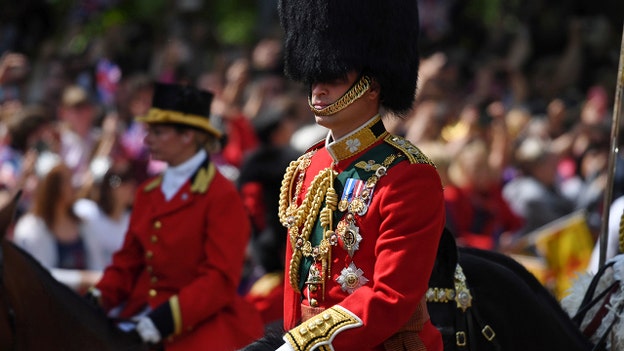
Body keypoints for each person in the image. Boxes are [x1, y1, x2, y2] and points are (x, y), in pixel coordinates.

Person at [272, 0, 445, 350]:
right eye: (314, 78)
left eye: (333, 79)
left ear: (372, 86)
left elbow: (391, 295)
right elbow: (297, 282)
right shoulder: (308, 165)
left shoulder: (408, 174)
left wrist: (303, 344)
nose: (318, 90)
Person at [87, 82, 263, 350]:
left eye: (158, 132)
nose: (147, 140)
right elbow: (129, 261)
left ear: (187, 137)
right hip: (140, 315)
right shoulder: (148, 191)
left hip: (200, 324)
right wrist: (98, 297)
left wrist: (167, 319)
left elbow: (219, 279)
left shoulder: (221, 194)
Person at [12, 160, 106, 292]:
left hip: (83, 304)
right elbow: (39, 275)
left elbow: (97, 268)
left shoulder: (82, 223)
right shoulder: (31, 227)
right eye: (65, 181)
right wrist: (82, 279)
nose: (73, 186)